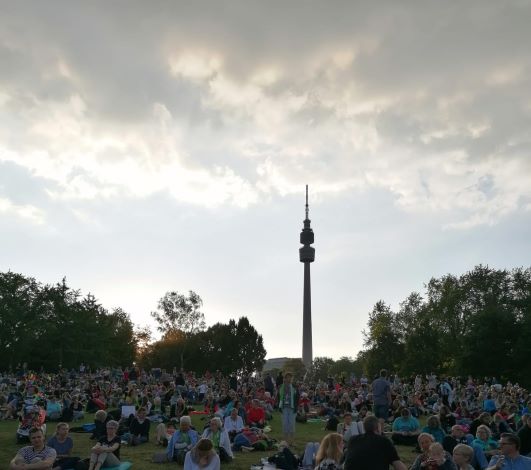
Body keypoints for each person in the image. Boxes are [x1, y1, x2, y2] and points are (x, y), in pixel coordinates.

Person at [278, 372, 298, 444]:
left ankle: (292, 441)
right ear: (285, 378)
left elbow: (297, 397)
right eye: (288, 377)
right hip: (284, 407)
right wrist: (279, 406)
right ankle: (286, 441)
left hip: (292, 408)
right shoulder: (281, 387)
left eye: (291, 377)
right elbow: (278, 397)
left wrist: (296, 407)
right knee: (285, 424)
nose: (289, 379)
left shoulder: (294, 387)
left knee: (292, 424)